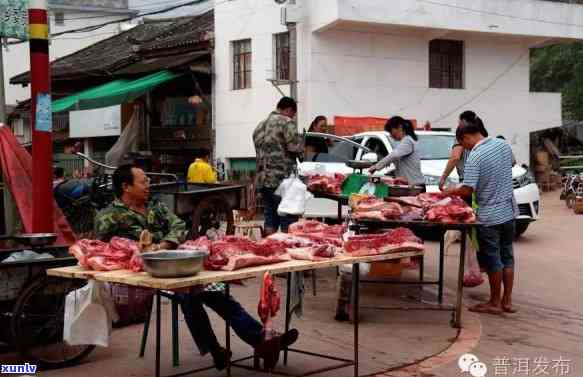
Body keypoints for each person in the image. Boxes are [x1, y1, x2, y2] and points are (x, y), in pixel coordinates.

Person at [94, 164, 299, 370]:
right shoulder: (109, 216)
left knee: (214, 290)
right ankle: (222, 348)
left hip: (171, 264)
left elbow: (178, 226)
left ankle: (259, 341)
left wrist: (163, 246)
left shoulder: (156, 206)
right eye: (143, 181)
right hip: (139, 273)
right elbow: (104, 248)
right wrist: (136, 251)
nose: (148, 185)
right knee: (188, 295)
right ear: (126, 187)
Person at [443, 124, 518, 315]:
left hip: (490, 216)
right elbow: (510, 165)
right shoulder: (503, 145)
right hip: (509, 211)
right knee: (507, 257)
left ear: (467, 137)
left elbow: (468, 189)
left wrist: (451, 191)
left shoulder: (475, 157)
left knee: (494, 260)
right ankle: (506, 301)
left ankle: (494, 302)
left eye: (463, 144)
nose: (465, 149)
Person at [253, 97, 303, 235]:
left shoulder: (259, 126)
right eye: (293, 114)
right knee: (288, 219)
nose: (293, 117)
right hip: (282, 180)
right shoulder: (287, 122)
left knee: (270, 218)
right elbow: (293, 147)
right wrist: (302, 147)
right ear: (289, 110)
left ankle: (271, 250)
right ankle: (288, 252)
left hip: (263, 181)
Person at [369, 116, 426, 188]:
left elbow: (394, 155)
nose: (391, 135)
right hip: (407, 184)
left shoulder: (408, 141)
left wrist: (376, 167)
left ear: (400, 127)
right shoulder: (406, 141)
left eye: (391, 131)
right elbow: (403, 163)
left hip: (415, 186)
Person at [439, 111, 488, 191]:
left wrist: (443, 177)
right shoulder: (484, 136)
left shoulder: (461, 137)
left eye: (459, 123)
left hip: (467, 179)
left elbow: (455, 157)